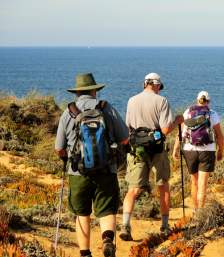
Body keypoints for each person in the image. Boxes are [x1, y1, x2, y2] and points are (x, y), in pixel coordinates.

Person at [55, 73, 129, 257]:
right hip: (106, 170)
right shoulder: (106, 108)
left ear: (77, 92)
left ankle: (85, 253)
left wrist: (65, 158)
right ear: (94, 90)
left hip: (78, 173)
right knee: (106, 210)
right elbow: (125, 137)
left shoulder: (68, 112)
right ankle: (107, 240)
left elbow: (59, 148)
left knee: (82, 214)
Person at [120, 72, 183, 241]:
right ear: (156, 85)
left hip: (137, 149)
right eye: (159, 87)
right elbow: (165, 130)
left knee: (133, 189)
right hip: (157, 150)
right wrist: (178, 120)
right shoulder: (162, 101)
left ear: (145, 84)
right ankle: (164, 226)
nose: (159, 90)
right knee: (163, 186)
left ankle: (125, 225)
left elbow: (127, 128)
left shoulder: (131, 101)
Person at [172, 91, 224, 211]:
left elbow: (180, 134)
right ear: (208, 102)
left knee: (194, 182)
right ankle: (200, 213)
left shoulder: (188, 112)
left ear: (197, 100)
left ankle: (195, 211)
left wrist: (175, 149)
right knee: (202, 185)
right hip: (207, 151)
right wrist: (220, 151)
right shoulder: (212, 114)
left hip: (189, 150)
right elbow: (220, 136)